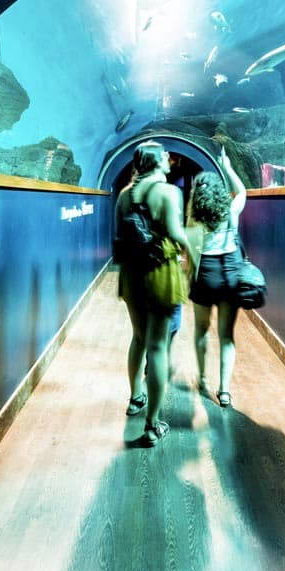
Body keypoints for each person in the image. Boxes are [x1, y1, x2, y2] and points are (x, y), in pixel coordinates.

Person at [116, 140, 194, 446]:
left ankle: (136, 397)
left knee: (138, 338)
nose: (168, 159)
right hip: (160, 272)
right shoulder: (168, 192)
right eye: (164, 156)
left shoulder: (124, 195)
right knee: (159, 348)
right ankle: (151, 425)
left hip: (132, 274)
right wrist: (191, 254)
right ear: (155, 161)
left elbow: (121, 236)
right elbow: (175, 233)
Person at [186, 145, 247, 408]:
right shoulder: (231, 211)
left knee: (201, 328)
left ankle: (201, 378)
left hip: (206, 274)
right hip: (231, 272)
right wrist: (229, 167)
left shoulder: (194, 217)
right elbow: (243, 191)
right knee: (226, 335)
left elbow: (190, 250)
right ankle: (224, 391)